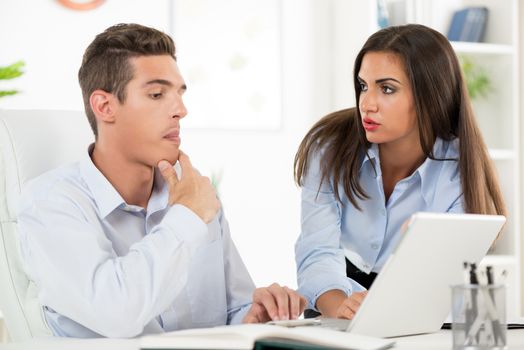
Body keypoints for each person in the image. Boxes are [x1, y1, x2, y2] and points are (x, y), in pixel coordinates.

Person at [17, 23, 305, 338]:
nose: (180, 110)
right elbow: (117, 315)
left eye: (179, 93)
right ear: (104, 106)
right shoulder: (50, 204)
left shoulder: (193, 195)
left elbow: (235, 310)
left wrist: (256, 315)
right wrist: (187, 217)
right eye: (157, 94)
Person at [293, 24, 506, 320]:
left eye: (387, 88)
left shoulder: (460, 170)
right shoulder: (329, 147)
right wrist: (339, 306)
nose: (366, 104)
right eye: (363, 85)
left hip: (412, 308)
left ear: (430, 96)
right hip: (333, 302)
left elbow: (439, 275)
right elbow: (317, 251)